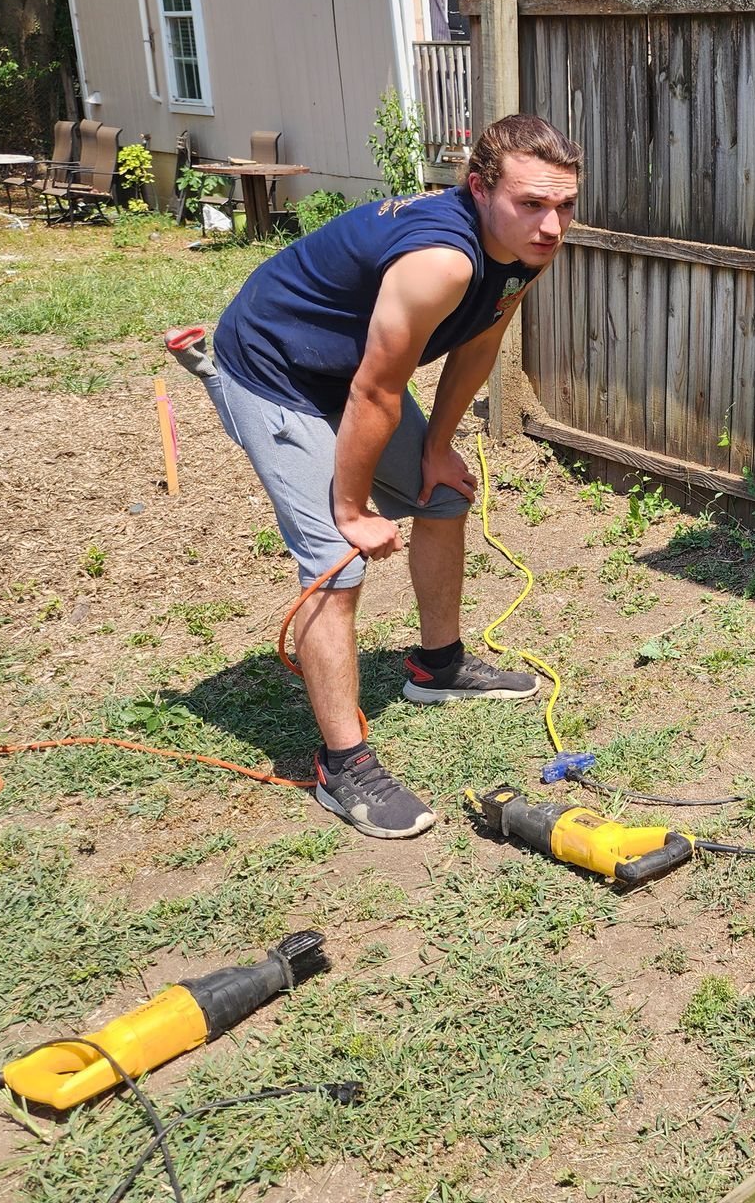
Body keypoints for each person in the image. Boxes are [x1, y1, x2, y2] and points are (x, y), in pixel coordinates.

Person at [198, 114, 579, 839]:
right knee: (335, 562)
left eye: (564, 206)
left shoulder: (526, 248)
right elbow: (373, 393)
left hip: (353, 368)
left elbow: (482, 340)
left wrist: (438, 445)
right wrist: (350, 506)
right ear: (479, 190)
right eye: (532, 204)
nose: (552, 225)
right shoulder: (443, 259)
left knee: (443, 496)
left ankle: (437, 665)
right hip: (275, 367)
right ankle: (342, 766)